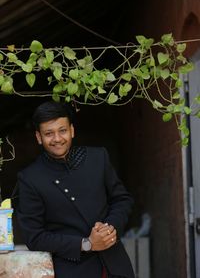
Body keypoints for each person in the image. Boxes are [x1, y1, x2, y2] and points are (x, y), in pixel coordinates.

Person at [17, 101, 135, 278]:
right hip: (72, 270)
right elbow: (34, 237)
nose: (57, 139)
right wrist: (87, 244)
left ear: (72, 130)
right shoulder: (30, 178)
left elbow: (122, 199)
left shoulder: (98, 158)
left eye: (62, 130)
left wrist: (109, 229)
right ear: (39, 137)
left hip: (115, 265)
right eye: (49, 133)